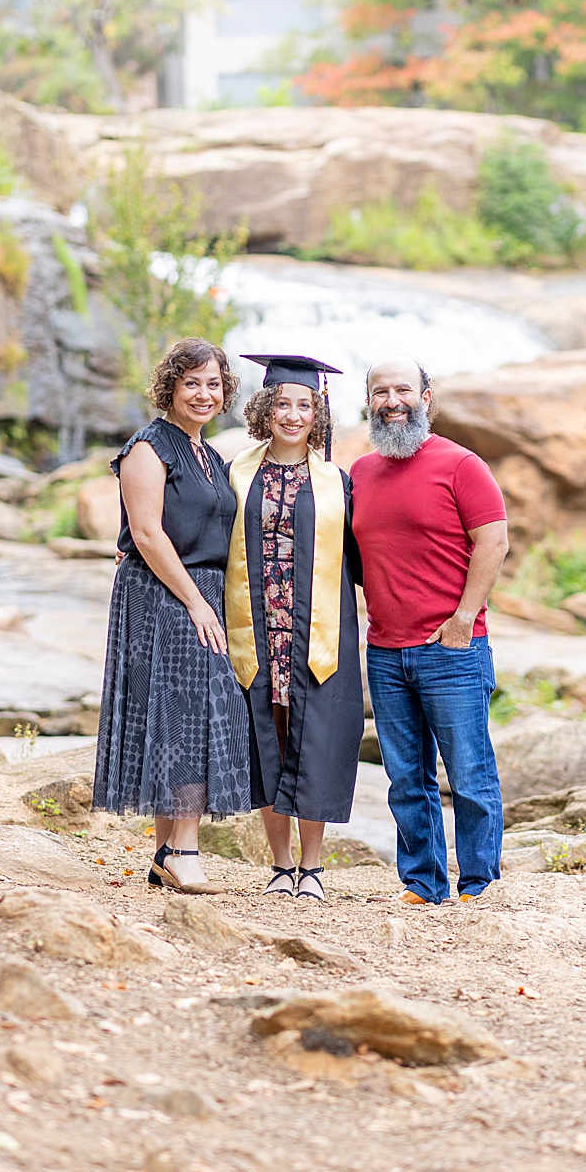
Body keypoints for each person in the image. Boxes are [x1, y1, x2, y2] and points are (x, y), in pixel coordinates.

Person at [350, 355, 510, 906]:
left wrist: (464, 617)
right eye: (380, 392)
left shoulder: (463, 465)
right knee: (405, 780)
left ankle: (479, 883)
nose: (392, 401)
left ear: (426, 397)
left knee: (469, 773)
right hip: (385, 651)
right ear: (368, 402)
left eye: (402, 390)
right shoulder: (361, 473)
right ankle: (422, 882)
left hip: (452, 649)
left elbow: (493, 542)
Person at [93, 337, 249, 896]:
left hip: (200, 592)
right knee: (188, 716)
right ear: (171, 387)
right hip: (165, 593)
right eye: (192, 383)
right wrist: (194, 600)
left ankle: (165, 854)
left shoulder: (208, 454)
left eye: (214, 384)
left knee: (183, 714)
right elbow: (147, 532)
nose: (204, 394)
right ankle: (183, 851)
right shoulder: (149, 446)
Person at [223, 354, 365, 903]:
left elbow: (365, 552)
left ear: (318, 413)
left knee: (317, 742)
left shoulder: (338, 482)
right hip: (256, 626)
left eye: (304, 405)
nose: (292, 414)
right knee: (267, 742)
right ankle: (279, 864)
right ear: (264, 408)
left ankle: (312, 866)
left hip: (317, 628)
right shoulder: (236, 471)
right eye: (282, 403)